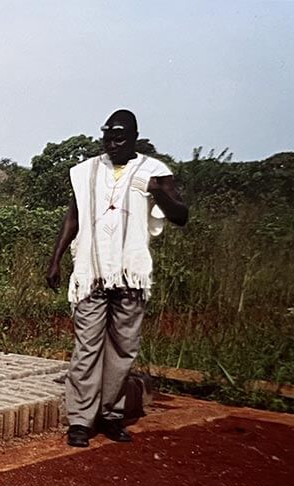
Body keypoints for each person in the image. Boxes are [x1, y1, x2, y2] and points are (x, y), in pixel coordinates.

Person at [46, 109, 188, 448]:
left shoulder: (155, 171)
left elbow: (181, 215)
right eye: (107, 136)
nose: (112, 143)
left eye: (120, 137)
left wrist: (159, 192)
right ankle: (80, 421)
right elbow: (73, 218)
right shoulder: (86, 172)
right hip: (91, 271)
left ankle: (109, 414)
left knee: (123, 349)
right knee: (87, 347)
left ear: (135, 137)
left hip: (130, 273)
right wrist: (55, 259)